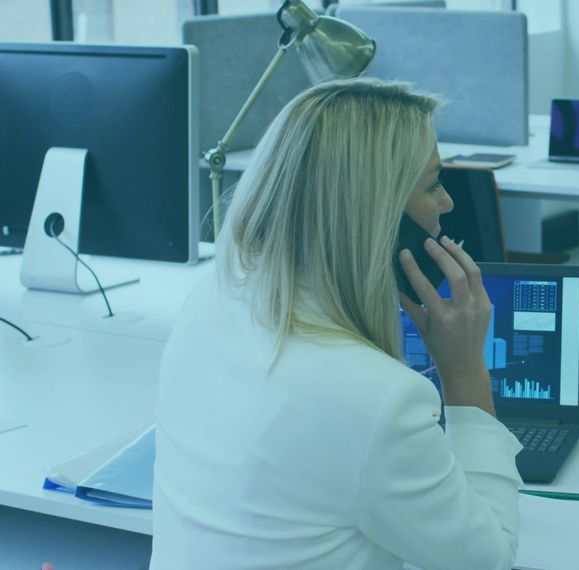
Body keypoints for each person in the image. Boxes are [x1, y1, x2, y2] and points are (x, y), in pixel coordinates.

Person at [152, 78, 522, 569]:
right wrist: (466, 373)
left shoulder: (209, 302)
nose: (447, 203)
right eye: (433, 184)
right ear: (379, 215)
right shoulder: (376, 399)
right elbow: (487, 558)